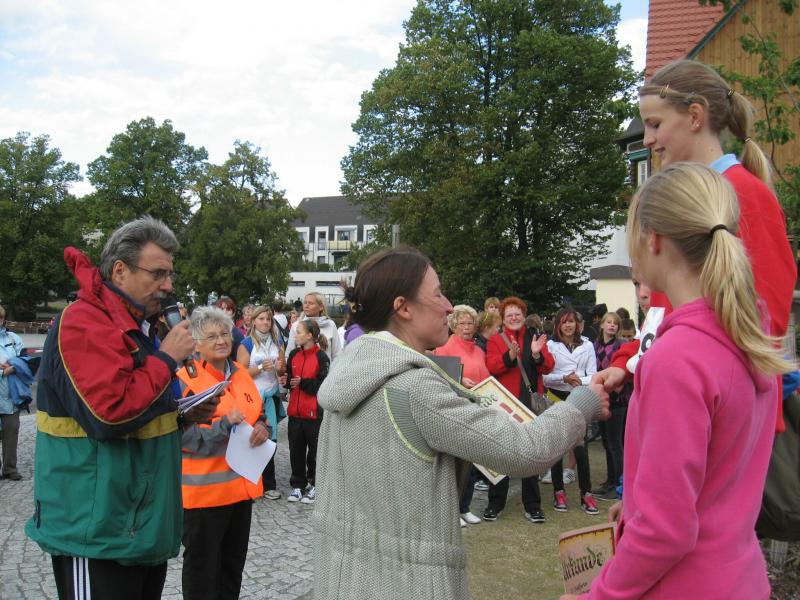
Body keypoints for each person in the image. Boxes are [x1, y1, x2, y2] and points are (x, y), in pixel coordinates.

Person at [312, 248, 609, 600]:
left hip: (345, 581)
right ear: (403, 307)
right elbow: (526, 451)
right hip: (410, 586)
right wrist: (584, 402)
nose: (449, 306)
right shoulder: (415, 388)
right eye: (438, 294)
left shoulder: (348, 373)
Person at [565, 162, 794, 600]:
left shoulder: (677, 358)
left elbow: (664, 531)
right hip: (740, 578)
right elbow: (718, 479)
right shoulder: (749, 334)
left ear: (653, 238)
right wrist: (639, 503)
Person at [25, 217, 213, 600]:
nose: (168, 285)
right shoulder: (83, 322)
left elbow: (135, 406)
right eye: (158, 274)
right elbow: (108, 414)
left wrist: (179, 415)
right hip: (95, 529)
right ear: (120, 270)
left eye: (170, 274)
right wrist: (166, 358)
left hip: (136, 525)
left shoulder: (137, 325)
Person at [618, 58, 796, 431]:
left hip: (722, 421)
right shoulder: (684, 197)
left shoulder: (745, 195)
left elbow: (765, 321)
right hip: (687, 407)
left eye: (655, 124)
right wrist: (629, 366)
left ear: (695, 116)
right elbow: (665, 318)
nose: (647, 139)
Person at [178, 306, 271, 600]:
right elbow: (184, 437)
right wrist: (224, 426)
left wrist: (262, 427)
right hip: (205, 496)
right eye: (212, 336)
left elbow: (256, 414)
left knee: (232, 569)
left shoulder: (240, 374)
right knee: (202, 573)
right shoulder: (186, 380)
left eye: (224, 334)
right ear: (196, 345)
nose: (221, 340)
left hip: (241, 491)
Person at [484, 296, 554, 524]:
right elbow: (491, 366)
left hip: (529, 403)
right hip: (506, 404)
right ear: (503, 319)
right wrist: (510, 356)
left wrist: (536, 354)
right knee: (501, 453)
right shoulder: (496, 340)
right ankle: (495, 504)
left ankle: (533, 506)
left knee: (530, 453)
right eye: (509, 315)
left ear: (524, 316)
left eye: (518, 314)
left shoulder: (534, 336)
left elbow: (549, 366)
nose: (514, 318)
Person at [433, 305, 490, 526]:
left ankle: (464, 508)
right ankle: (452, 511)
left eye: (470, 323)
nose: (466, 327)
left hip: (476, 411)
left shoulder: (479, 351)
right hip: (456, 411)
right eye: (462, 323)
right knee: (455, 464)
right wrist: (459, 379)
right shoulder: (444, 349)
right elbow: (439, 378)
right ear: (453, 325)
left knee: (471, 464)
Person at [543, 307, 599, 515]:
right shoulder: (550, 345)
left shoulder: (587, 345)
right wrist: (563, 378)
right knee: (557, 447)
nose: (568, 325)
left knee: (580, 448)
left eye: (571, 321)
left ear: (577, 324)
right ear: (558, 324)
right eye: (564, 321)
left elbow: (593, 375)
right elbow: (544, 377)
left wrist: (577, 380)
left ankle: (587, 494)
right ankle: (559, 491)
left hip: (578, 398)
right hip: (556, 398)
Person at [237, 305, 286, 500]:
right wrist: (259, 368)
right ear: (254, 321)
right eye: (262, 319)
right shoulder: (246, 343)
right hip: (252, 399)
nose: (266, 322)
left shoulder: (278, 342)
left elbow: (282, 371)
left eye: (268, 319)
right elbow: (239, 373)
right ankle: (250, 483)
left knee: (270, 440)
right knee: (252, 439)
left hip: (271, 397)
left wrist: (281, 368)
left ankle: (269, 485)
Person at [281, 319, 330, 504]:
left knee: (315, 453)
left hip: (314, 414)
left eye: (299, 332)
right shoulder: (294, 354)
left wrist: (303, 383)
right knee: (296, 451)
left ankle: (316, 484)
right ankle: (298, 485)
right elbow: (290, 379)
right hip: (295, 412)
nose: (296, 335)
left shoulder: (322, 357)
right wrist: (285, 381)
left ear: (310, 336)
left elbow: (322, 386)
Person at [591, 312, 625, 501]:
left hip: (617, 401)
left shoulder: (621, 345)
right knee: (606, 443)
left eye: (615, 323)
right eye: (609, 322)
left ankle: (619, 485)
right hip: (600, 399)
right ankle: (610, 481)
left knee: (615, 444)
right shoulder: (595, 346)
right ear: (602, 325)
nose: (612, 325)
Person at [0, 305, 26, 480]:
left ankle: (10, 468)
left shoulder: (13, 338)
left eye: (0, 317)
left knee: (11, 432)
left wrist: (15, 366)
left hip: (11, 395)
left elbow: (25, 360)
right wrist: (3, 372)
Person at [285, 292, 342, 361]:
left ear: (321, 307)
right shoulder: (296, 325)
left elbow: (337, 354)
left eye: (311, 303)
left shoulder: (330, 324)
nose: (306, 306)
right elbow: (289, 355)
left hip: (327, 367)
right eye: (305, 303)